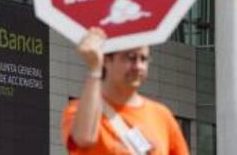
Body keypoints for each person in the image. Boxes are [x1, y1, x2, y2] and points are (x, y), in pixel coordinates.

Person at [62, 27, 189, 155]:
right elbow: (84, 138)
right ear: (106, 60)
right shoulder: (81, 110)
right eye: (130, 58)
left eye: (143, 59)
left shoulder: (162, 116)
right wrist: (95, 70)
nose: (138, 66)